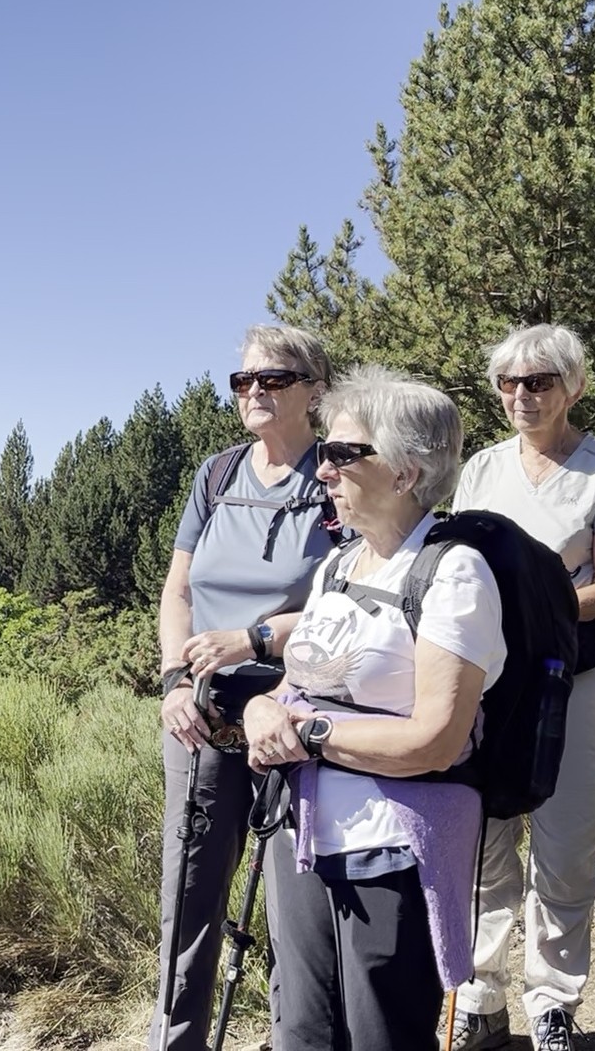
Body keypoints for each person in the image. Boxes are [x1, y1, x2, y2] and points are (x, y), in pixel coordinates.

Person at [242, 363, 497, 1051]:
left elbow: (436, 742)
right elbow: (302, 684)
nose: (321, 469)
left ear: (406, 473)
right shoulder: (338, 565)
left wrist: (310, 735)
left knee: (381, 1034)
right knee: (300, 1030)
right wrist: (262, 712)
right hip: (303, 836)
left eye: (341, 453)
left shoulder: (454, 573)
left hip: (393, 847)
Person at [447, 324, 595, 1050]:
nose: (521, 395)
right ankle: (481, 995)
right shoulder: (481, 470)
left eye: (538, 382)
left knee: (564, 843)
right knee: (486, 837)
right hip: (492, 680)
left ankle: (553, 999)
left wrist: (522, 612)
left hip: (575, 677)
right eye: (508, 382)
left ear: (572, 386)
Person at [150, 325, 337, 1051]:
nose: (253, 390)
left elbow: (354, 605)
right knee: (188, 896)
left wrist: (258, 641)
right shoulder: (217, 474)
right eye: (243, 380)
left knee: (298, 904)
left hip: (299, 714)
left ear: (313, 390)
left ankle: (296, 1036)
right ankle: (175, 1041)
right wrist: (172, 682)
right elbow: (177, 590)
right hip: (200, 715)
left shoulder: (335, 475)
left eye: (273, 378)